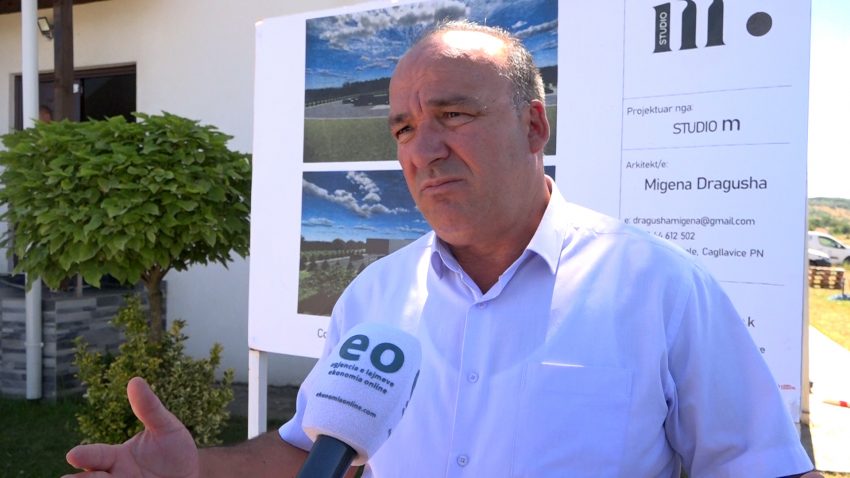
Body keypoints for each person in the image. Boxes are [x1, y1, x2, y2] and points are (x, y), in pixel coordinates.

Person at [64, 21, 822, 478]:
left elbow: (757, 466)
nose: (422, 150)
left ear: (534, 126)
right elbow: (316, 453)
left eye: (453, 115)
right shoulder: (374, 297)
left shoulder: (659, 286)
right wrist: (197, 469)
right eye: (403, 127)